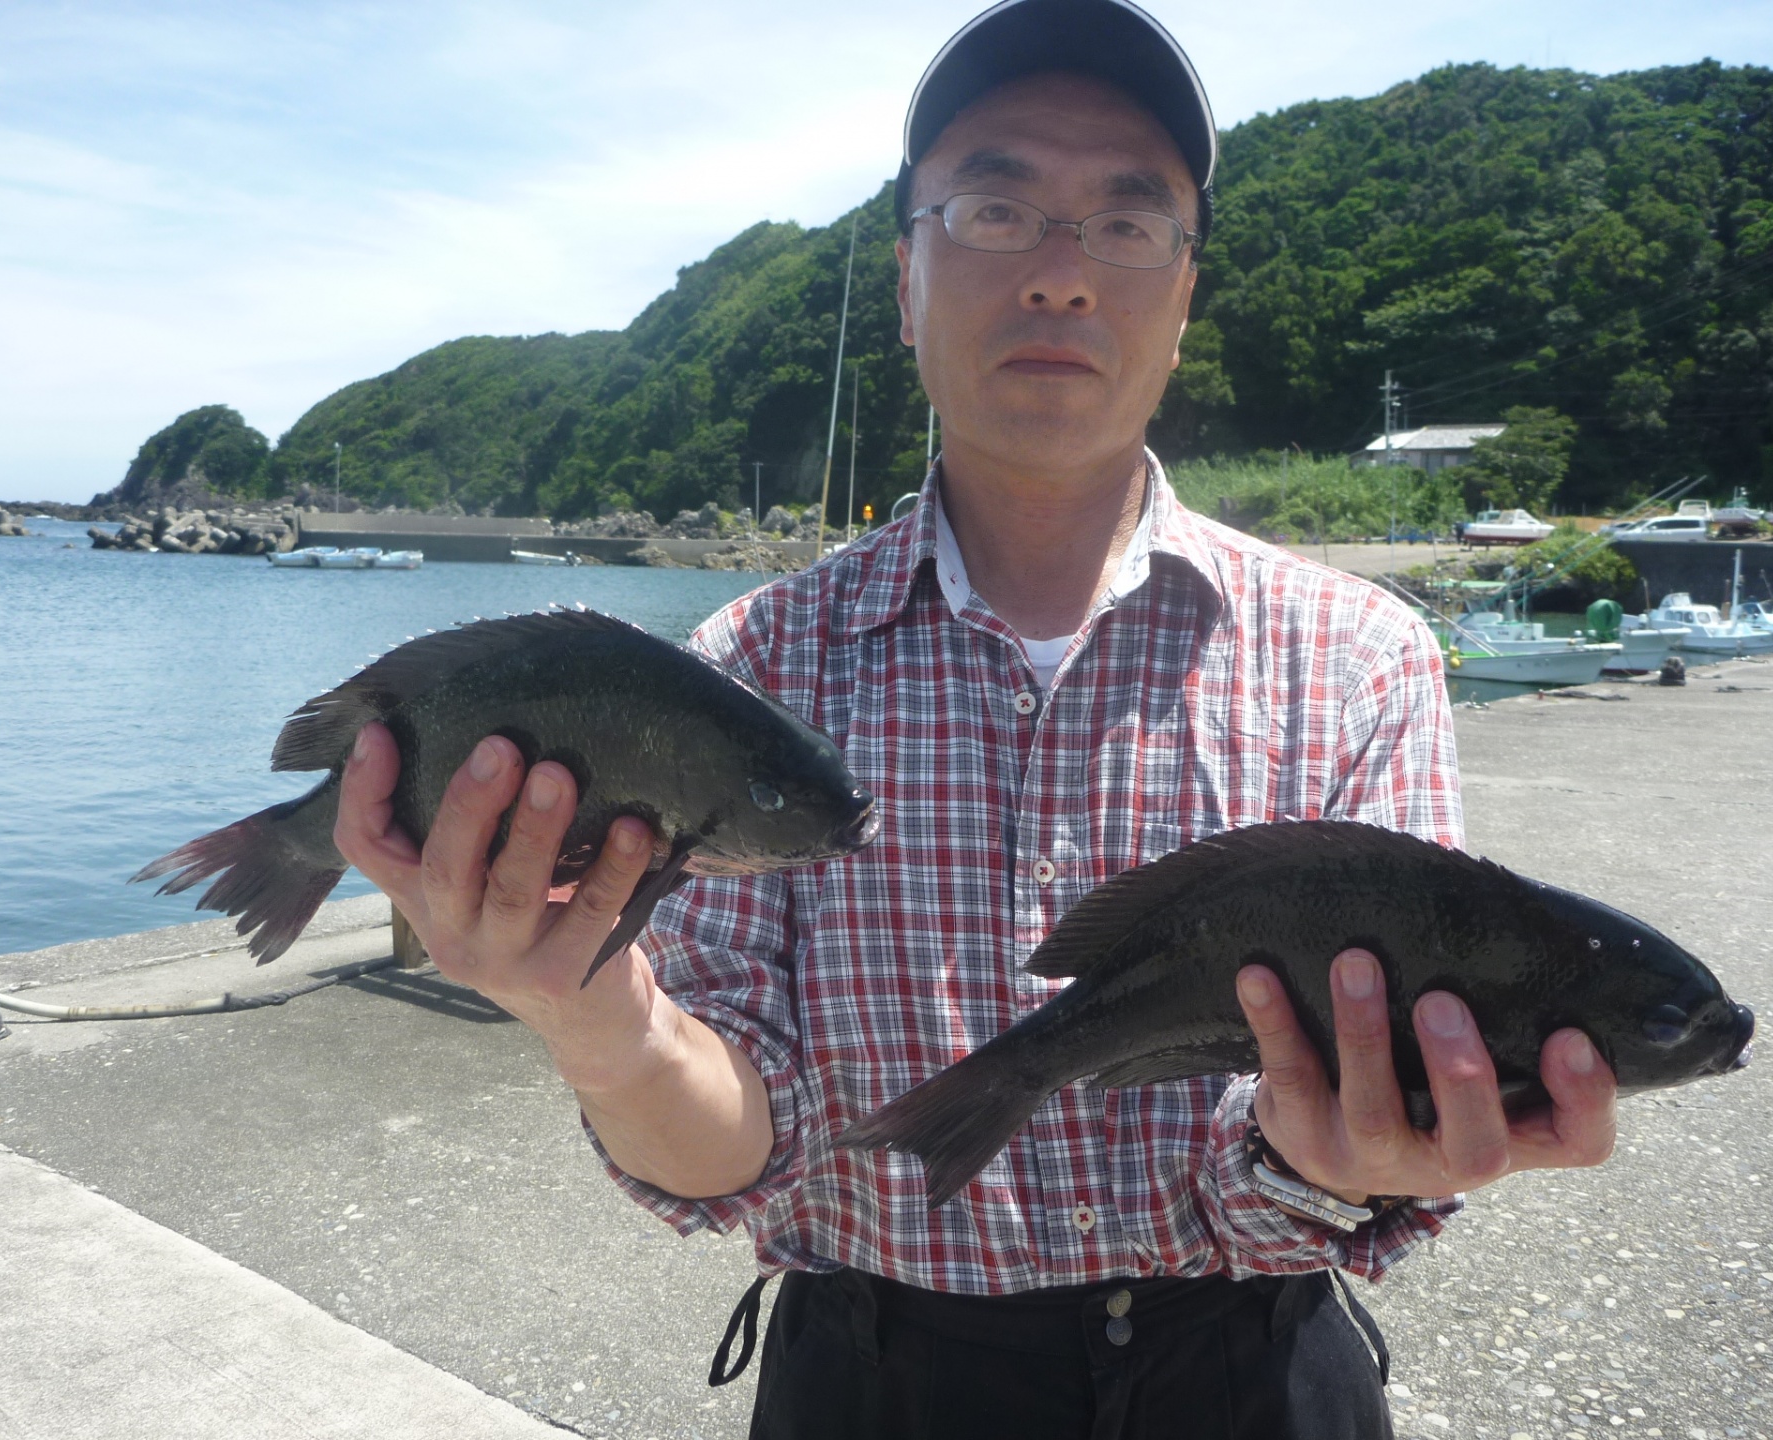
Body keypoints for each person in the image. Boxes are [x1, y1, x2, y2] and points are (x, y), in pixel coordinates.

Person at [334, 2, 1617, 1434]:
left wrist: (1347, 1156)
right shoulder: (750, 666)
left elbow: (1349, 1114)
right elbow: (731, 1144)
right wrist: (591, 1020)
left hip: (1254, 1375)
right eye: (996, 210)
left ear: (1183, 301)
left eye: (1127, 224)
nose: (1061, 275)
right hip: (872, 1378)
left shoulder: (1362, 658)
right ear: (907, 281)